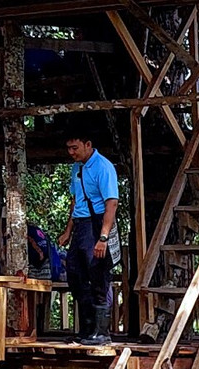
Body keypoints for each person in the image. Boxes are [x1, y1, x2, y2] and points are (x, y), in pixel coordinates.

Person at [57, 129, 119, 346]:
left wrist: (103, 237)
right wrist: (68, 231)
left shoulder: (103, 167)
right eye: (69, 148)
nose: (71, 152)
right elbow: (76, 201)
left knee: (98, 274)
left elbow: (112, 202)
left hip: (98, 223)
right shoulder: (77, 167)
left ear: (88, 144)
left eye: (75, 148)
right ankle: (86, 329)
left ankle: (102, 332)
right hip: (81, 224)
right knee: (75, 274)